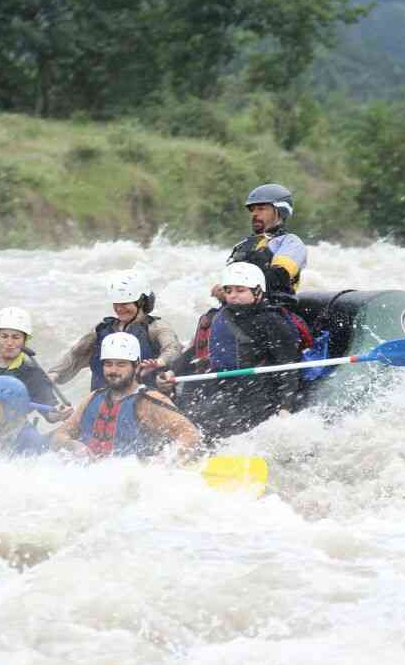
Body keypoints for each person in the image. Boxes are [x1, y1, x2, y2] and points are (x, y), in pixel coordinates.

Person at [159, 263, 302, 441]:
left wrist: (285, 407)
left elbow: (288, 366)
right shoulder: (221, 315)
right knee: (184, 417)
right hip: (221, 384)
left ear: (257, 291)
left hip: (256, 391)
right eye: (228, 290)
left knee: (207, 423)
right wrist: (172, 371)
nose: (233, 295)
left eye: (240, 290)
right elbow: (198, 350)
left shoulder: (271, 321)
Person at [50, 332, 202, 463]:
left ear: (136, 366)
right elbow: (59, 436)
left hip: (131, 482)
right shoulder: (93, 398)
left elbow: (190, 435)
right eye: (108, 364)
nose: (113, 370)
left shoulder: (149, 401)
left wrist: (163, 462)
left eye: (121, 364)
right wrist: (73, 445)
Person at [47, 271, 182, 391]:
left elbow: (173, 349)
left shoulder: (156, 327)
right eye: (116, 303)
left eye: (125, 303)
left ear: (140, 302)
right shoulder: (102, 329)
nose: (119, 308)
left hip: (145, 399)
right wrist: (54, 374)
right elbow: (76, 354)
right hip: (104, 403)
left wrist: (160, 362)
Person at [222, 183, 308, 298]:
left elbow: (279, 277)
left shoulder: (291, 242)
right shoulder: (244, 244)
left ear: (279, 211)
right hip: (241, 306)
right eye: (252, 210)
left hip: (274, 307)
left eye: (261, 209)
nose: (254, 214)